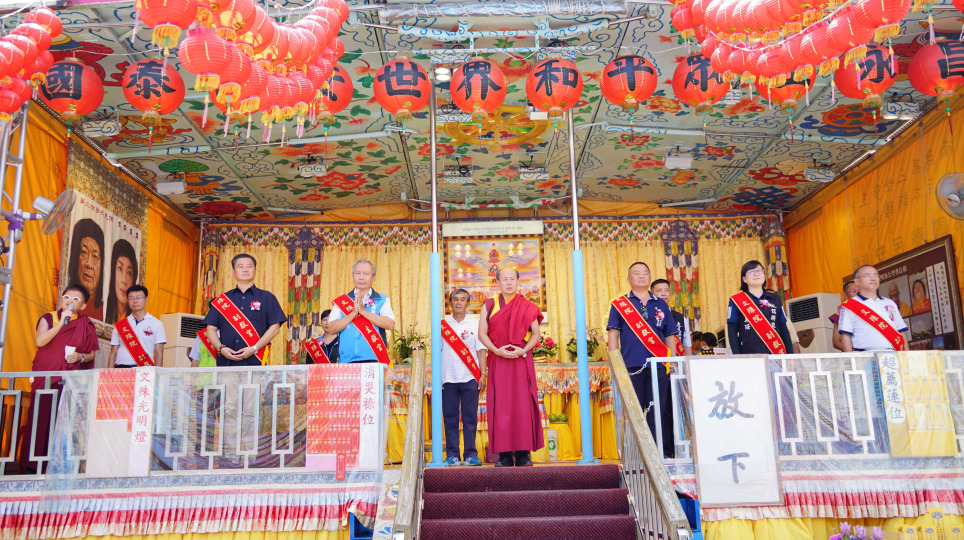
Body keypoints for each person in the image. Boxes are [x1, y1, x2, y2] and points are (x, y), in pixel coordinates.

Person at [202, 253, 286, 464]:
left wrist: (255, 348)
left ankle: (249, 454)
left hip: (254, 364)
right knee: (229, 409)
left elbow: (275, 327)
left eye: (249, 266)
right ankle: (231, 455)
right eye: (241, 266)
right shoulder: (222, 301)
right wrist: (220, 348)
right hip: (227, 364)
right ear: (233, 271)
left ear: (255, 270)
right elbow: (210, 329)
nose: (245, 269)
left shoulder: (266, 298)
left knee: (251, 411)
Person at [20, 284, 99, 472]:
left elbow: (91, 355)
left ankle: (59, 467)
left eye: (76, 299)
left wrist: (79, 356)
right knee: (40, 420)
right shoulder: (49, 318)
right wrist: (61, 322)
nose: (70, 301)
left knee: (64, 423)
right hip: (46, 378)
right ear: (61, 300)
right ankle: (33, 467)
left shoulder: (85, 324)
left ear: (83, 305)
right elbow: (40, 341)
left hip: (70, 382)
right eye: (67, 297)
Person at [607, 262, 680, 458]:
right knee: (634, 411)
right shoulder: (620, 305)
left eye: (645, 273)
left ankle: (658, 455)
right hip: (631, 366)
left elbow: (670, 335)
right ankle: (636, 455)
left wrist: (672, 362)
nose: (641, 276)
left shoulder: (661, 304)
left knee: (658, 409)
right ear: (628, 279)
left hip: (659, 366)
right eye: (636, 273)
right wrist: (615, 364)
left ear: (649, 277)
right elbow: (613, 335)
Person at [478, 267, 544, 467]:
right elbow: (482, 334)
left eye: (512, 279)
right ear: (497, 282)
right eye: (504, 279)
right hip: (498, 361)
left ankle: (523, 454)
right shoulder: (489, 305)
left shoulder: (527, 305)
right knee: (501, 407)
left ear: (517, 282)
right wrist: (496, 351)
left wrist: (523, 350)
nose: (508, 283)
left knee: (523, 405)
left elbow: (536, 334)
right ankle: (504, 455)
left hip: (520, 361)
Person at [440, 289, 487, 467]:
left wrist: (483, 374)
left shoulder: (475, 324)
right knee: (450, 417)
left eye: (462, 300)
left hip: (470, 378)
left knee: (470, 418)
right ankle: (452, 454)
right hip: (448, 378)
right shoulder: (442, 325)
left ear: (468, 303)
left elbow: (480, 350)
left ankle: (470, 455)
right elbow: (437, 352)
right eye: (455, 299)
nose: (459, 303)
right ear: (450, 303)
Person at [327, 259, 395, 363]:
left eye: (366, 274)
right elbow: (331, 329)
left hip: (375, 361)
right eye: (357, 273)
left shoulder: (382, 300)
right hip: (347, 361)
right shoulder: (341, 301)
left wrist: (363, 312)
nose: (361, 277)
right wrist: (353, 313)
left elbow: (390, 324)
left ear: (373, 277)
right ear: (353, 276)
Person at [727, 260, 794, 355]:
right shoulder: (736, 301)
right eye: (751, 272)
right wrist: (738, 357)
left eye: (759, 271)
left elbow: (783, 329)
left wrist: (790, 356)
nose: (756, 274)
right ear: (744, 279)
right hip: (749, 355)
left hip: (775, 353)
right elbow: (732, 333)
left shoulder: (775, 298)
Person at [839, 265, 909, 352]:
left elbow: (901, 332)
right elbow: (845, 336)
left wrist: (906, 357)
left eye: (876, 275)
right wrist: (850, 358)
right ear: (857, 281)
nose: (873, 278)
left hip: (892, 354)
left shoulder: (890, 303)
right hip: (865, 355)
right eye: (867, 275)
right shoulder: (849, 306)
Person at [107, 285, 166, 368]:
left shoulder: (157, 324)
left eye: (139, 298)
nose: (135, 301)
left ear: (146, 299)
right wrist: (109, 373)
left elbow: (159, 353)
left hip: (144, 369)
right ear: (128, 300)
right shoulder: (120, 325)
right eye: (131, 298)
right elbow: (113, 353)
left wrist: (157, 373)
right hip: (121, 369)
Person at [67, 219, 105, 321]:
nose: (89, 264)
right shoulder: (65, 302)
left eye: (95, 256)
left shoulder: (105, 312)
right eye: (84, 252)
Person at [651, 279, 692, 355]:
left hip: (676, 361)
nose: (664, 294)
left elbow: (687, 346)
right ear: (651, 294)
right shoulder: (647, 316)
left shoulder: (680, 318)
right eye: (659, 290)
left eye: (667, 290)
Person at [105, 239, 138, 325]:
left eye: (129, 273)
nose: (124, 280)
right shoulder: (104, 311)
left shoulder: (136, 320)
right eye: (120, 268)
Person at [831, 280, 860, 351]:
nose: (858, 294)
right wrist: (854, 352)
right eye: (853, 291)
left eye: (859, 291)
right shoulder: (840, 315)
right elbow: (836, 342)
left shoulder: (869, 310)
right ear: (845, 295)